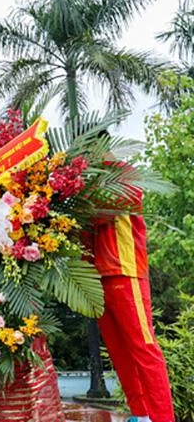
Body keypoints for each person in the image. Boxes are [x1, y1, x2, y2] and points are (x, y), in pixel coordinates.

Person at [85, 161, 175, 422]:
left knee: (144, 348)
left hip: (126, 271)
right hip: (97, 277)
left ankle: (163, 418)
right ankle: (141, 414)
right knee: (119, 352)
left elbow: (104, 210)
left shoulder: (124, 173)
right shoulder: (87, 182)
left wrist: (76, 202)